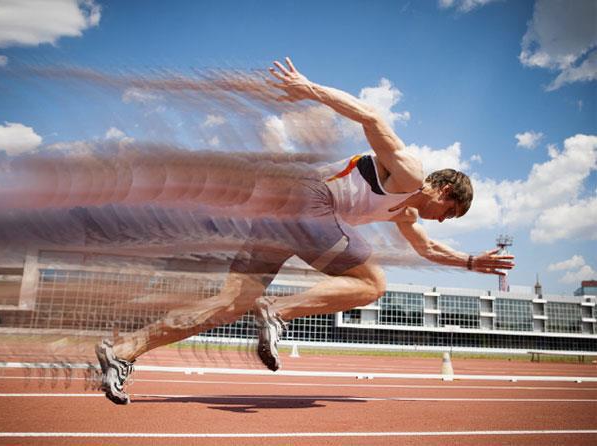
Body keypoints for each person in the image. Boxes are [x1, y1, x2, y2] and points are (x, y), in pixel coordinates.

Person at [95, 57, 514, 404]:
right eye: (450, 210)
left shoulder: (404, 213)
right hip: (305, 198)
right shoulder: (409, 173)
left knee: (228, 304)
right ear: (442, 189)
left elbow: (427, 249)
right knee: (372, 283)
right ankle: (277, 313)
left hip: (280, 214)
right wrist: (308, 87)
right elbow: (370, 117)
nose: (444, 218)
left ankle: (123, 351)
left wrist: (471, 261)